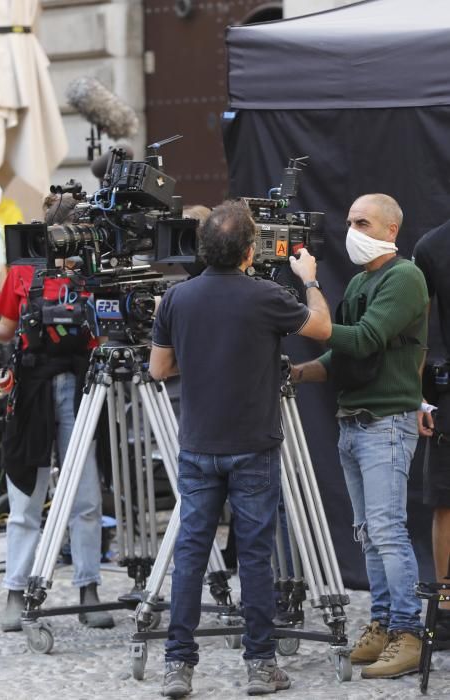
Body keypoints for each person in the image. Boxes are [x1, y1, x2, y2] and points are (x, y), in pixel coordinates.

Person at [149, 200, 332, 697]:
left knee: (191, 551)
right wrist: (310, 281)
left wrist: (205, 360)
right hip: (253, 443)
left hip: (198, 443)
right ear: (250, 251)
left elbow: (158, 369)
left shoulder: (176, 299)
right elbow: (321, 329)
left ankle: (178, 666)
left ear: (204, 248)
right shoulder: (267, 296)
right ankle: (260, 665)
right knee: (255, 555)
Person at [291, 193, 428, 679]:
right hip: (354, 421)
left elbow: (364, 338)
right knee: (369, 533)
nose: (352, 230)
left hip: (385, 421)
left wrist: (311, 291)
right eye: (349, 221)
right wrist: (299, 372)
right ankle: (384, 621)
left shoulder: (404, 278)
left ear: (391, 230)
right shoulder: (360, 281)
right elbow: (344, 355)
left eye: (363, 222)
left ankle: (410, 633)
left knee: (388, 530)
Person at [0, 193, 114, 632]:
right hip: (33, 391)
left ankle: (88, 586)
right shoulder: (23, 271)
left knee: (85, 498)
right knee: (25, 496)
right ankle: (16, 590)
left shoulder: (95, 272)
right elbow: (3, 327)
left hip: (82, 390)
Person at [413, 219, 450, 640]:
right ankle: (444, 607)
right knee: (445, 499)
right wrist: (416, 396)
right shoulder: (433, 245)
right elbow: (417, 333)